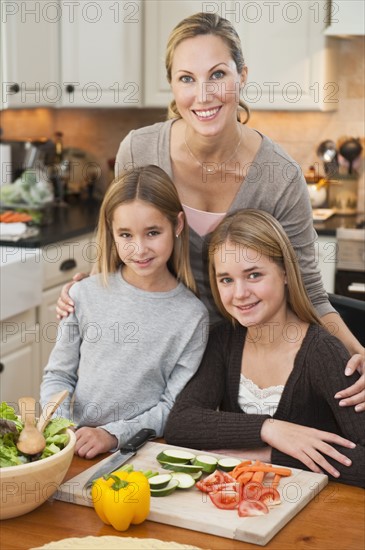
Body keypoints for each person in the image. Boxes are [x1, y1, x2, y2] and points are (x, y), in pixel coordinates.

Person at [56, 12, 364, 411]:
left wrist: (358, 352)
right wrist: (85, 291)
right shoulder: (140, 150)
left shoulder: (278, 176)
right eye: (187, 78)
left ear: (242, 76)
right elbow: (119, 253)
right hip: (153, 349)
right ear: (172, 84)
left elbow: (310, 291)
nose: (203, 95)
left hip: (235, 358)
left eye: (217, 74)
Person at [164, 209, 365, 487]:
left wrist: (270, 454)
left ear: (284, 272)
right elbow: (181, 424)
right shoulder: (223, 340)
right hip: (248, 508)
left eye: (254, 275)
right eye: (226, 279)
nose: (240, 293)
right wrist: (268, 429)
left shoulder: (324, 353)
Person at [40, 165, 208, 459]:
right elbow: (58, 376)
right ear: (112, 233)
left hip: (140, 453)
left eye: (153, 232)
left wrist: (112, 435)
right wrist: (61, 428)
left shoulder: (192, 317)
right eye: (126, 235)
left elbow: (171, 407)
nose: (139, 249)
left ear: (178, 225)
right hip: (71, 447)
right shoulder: (84, 294)